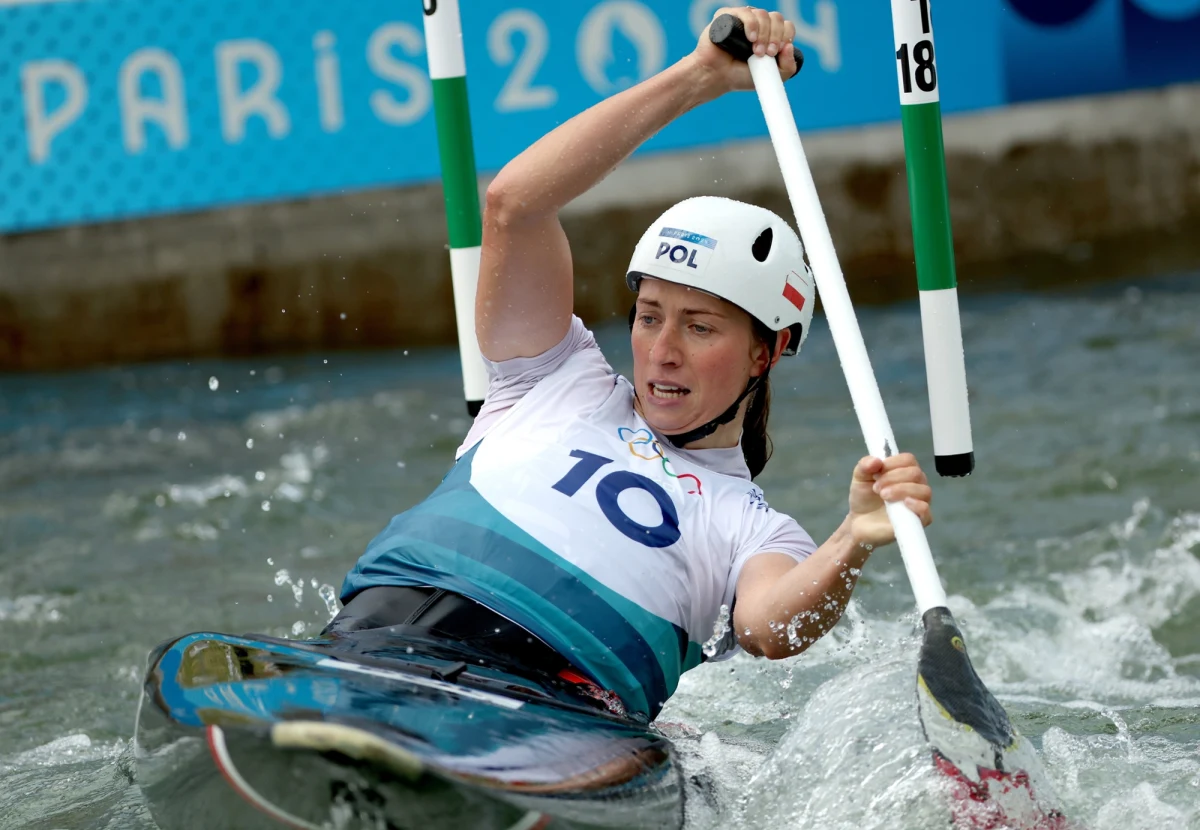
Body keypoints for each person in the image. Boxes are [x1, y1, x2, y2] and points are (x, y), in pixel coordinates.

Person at [329, 7, 933, 722]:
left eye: (700, 327)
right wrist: (700, 75)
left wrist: (853, 537)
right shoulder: (550, 377)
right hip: (375, 638)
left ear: (764, 354)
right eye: (650, 318)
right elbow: (514, 204)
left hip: (550, 708)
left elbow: (770, 627)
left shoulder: (750, 525)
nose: (664, 349)